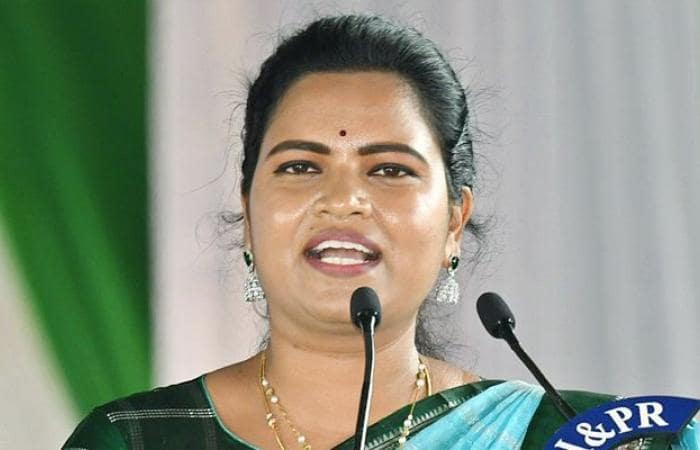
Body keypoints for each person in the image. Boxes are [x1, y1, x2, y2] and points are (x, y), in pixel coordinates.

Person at [63, 14, 697, 450]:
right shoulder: (136, 439)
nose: (343, 199)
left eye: (390, 169)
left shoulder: (583, 436)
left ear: (454, 221)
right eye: (300, 166)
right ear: (248, 212)